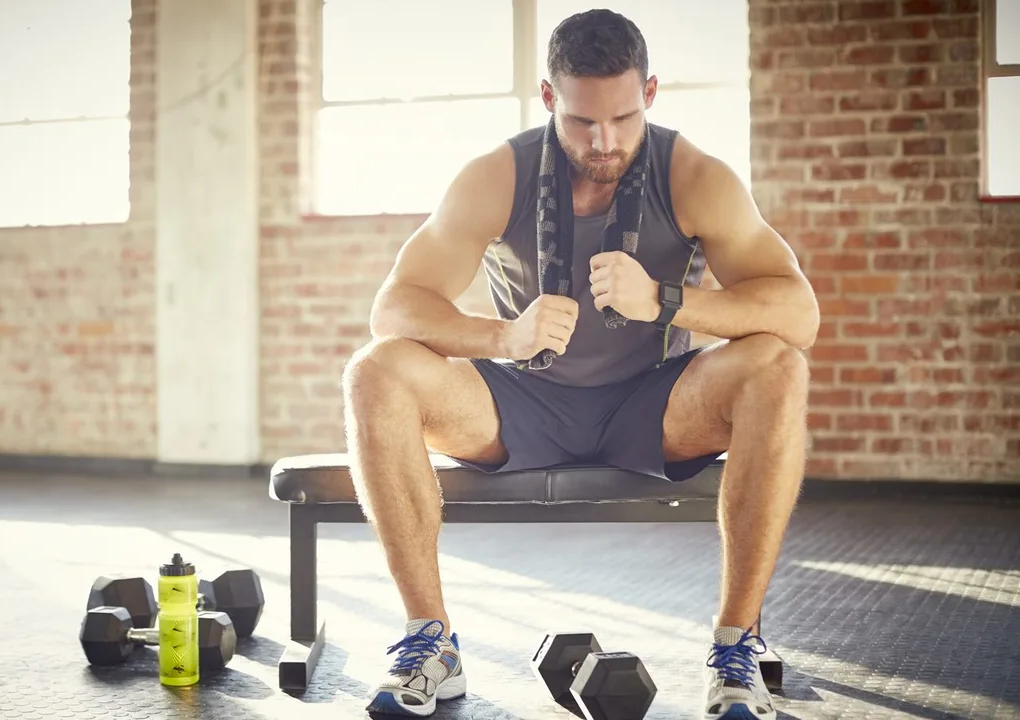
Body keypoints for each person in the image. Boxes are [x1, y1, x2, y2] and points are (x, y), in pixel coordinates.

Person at [342, 9, 818, 720]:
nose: (604, 142)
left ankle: (736, 647)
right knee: (375, 370)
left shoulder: (693, 176)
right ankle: (430, 644)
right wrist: (504, 336)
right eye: (581, 121)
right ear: (547, 97)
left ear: (649, 93)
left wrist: (664, 300)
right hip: (522, 402)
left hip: (653, 405)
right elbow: (395, 307)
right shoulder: (496, 176)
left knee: (778, 366)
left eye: (623, 118)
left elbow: (798, 314)